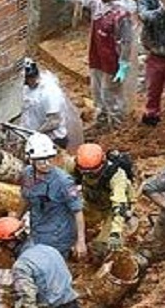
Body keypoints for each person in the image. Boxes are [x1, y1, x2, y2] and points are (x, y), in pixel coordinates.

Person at [47, 0, 137, 127]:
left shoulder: (121, 13)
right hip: (97, 54)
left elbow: (126, 41)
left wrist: (123, 64)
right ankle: (101, 120)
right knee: (97, 91)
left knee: (110, 94)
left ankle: (118, 125)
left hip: (112, 59)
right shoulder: (96, 1)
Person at [63, 142, 135, 259]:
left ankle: (126, 223)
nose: (88, 174)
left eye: (92, 171)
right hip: (91, 203)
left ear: (103, 162)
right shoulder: (73, 165)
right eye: (84, 172)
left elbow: (119, 204)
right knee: (66, 228)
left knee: (101, 249)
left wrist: (115, 233)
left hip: (112, 208)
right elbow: (63, 185)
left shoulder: (116, 176)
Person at [21, 132, 87, 261]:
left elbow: (78, 211)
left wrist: (81, 241)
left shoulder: (63, 182)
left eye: (49, 159)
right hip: (37, 230)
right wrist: (16, 220)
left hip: (58, 236)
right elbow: (26, 198)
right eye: (41, 160)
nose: (46, 164)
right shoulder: (27, 174)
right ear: (30, 159)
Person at [21, 58, 81, 150]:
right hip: (35, 136)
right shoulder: (27, 88)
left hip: (52, 140)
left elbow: (54, 121)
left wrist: (35, 134)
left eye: (30, 78)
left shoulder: (49, 92)